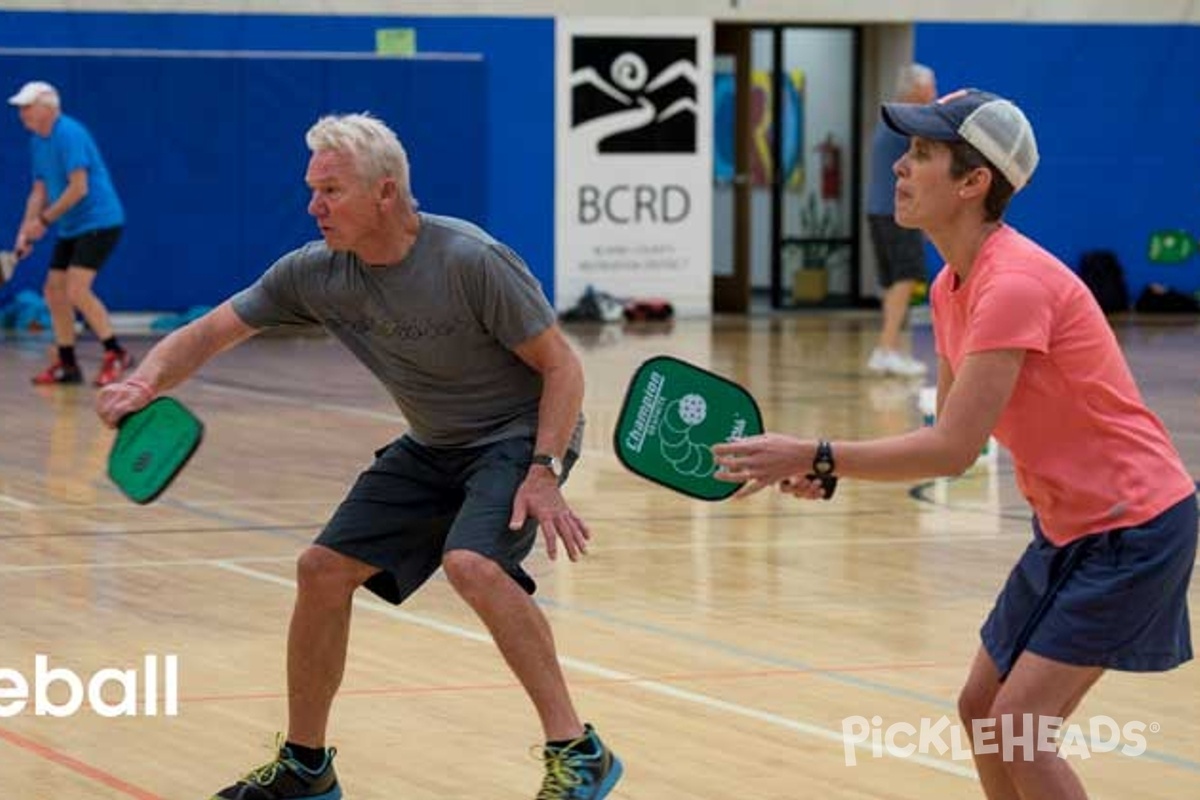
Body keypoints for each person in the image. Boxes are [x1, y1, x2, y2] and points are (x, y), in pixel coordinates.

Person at [95, 113, 623, 800]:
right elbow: (210, 331)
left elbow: (563, 368)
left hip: (516, 436)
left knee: (473, 564)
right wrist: (145, 380)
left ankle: (578, 751)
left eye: (331, 191)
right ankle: (307, 769)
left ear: (386, 192)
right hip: (434, 443)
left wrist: (544, 470)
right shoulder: (316, 274)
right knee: (320, 570)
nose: (313, 206)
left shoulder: (470, 260)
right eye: (311, 190)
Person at [713, 89, 1197, 799]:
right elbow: (945, 433)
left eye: (922, 155)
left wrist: (817, 451)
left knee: (1022, 728)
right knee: (982, 711)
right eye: (907, 153)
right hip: (1070, 528)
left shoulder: (1016, 283)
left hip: (1134, 525)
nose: (900, 169)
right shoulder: (949, 286)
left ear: (974, 184)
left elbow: (951, 449)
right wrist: (829, 468)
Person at [8, 80, 134, 386]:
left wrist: (45, 221)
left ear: (47, 108)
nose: (22, 112)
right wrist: (26, 229)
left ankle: (115, 352)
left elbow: (79, 188)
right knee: (53, 291)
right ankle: (67, 364)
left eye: (28, 106)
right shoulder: (38, 140)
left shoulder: (69, 133)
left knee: (76, 290)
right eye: (21, 107)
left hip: (99, 222)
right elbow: (38, 191)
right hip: (71, 226)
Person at [864, 64, 937, 377]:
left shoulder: (890, 118)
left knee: (894, 280)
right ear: (915, 90)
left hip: (877, 209)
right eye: (930, 86)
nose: (935, 93)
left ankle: (888, 349)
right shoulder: (910, 121)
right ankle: (887, 348)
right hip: (895, 212)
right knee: (905, 278)